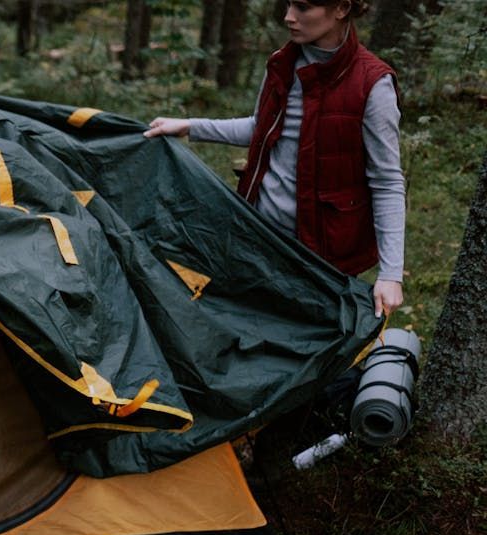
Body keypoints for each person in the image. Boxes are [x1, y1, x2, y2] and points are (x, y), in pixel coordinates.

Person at [144, 0, 405, 319]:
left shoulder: (373, 84)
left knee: (311, 346)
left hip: (324, 257)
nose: (288, 17)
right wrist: (189, 126)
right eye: (288, 4)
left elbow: (387, 182)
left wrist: (391, 274)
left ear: (341, 9)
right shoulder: (282, 63)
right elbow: (262, 126)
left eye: (303, 7)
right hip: (261, 237)